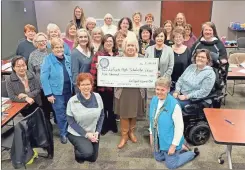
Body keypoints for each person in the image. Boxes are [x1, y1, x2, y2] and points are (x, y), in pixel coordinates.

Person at [149, 76, 199, 169]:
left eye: (162, 90)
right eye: (157, 89)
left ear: (168, 90)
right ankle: (182, 147)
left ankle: (191, 153)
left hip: (170, 140)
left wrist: (173, 145)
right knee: (158, 158)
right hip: (158, 138)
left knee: (171, 165)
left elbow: (179, 127)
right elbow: (152, 118)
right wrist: (151, 133)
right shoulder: (154, 100)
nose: (159, 92)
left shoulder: (174, 105)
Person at [115, 35, 146, 149]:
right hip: (123, 91)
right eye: (128, 45)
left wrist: (153, 74)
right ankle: (124, 136)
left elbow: (148, 71)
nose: (130, 47)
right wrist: (103, 69)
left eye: (133, 45)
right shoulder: (118, 58)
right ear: (124, 46)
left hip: (137, 90)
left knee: (134, 111)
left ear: (136, 47)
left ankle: (131, 133)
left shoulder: (142, 59)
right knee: (124, 112)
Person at [40, 38, 73, 144]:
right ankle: (63, 133)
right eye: (56, 47)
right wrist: (49, 94)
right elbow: (44, 78)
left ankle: (70, 130)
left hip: (69, 90)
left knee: (70, 112)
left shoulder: (68, 58)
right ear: (52, 49)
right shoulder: (48, 59)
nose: (59, 49)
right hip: (56, 92)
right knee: (60, 114)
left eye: (61, 47)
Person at [67, 73, 104, 163]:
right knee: (87, 153)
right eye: (83, 84)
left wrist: (97, 131)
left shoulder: (98, 97)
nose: (86, 87)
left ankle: (83, 146)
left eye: (88, 84)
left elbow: (102, 116)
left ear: (92, 85)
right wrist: (87, 134)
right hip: (76, 133)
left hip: (93, 132)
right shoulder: (72, 101)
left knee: (93, 159)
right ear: (79, 86)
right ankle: (78, 153)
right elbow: (71, 122)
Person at [90, 34, 118, 135]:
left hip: (115, 87)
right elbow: (93, 72)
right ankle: (104, 126)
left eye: (111, 41)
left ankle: (112, 124)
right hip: (103, 88)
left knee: (113, 107)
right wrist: (92, 88)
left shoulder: (117, 55)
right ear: (103, 43)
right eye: (107, 41)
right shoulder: (99, 55)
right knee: (104, 107)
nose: (109, 43)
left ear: (114, 43)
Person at [145, 28, 175, 113]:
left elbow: (171, 67)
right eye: (157, 36)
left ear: (165, 37)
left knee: (163, 105)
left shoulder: (169, 50)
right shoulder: (148, 49)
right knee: (151, 104)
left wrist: (162, 79)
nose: (159, 38)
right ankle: (150, 124)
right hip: (151, 82)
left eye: (162, 36)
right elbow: (145, 65)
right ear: (154, 38)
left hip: (164, 83)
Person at [28, 32, 54, 120]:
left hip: (54, 85)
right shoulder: (32, 55)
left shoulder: (52, 52)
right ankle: (47, 128)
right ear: (35, 43)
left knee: (56, 108)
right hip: (41, 87)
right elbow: (31, 72)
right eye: (39, 41)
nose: (42, 43)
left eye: (44, 40)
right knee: (45, 109)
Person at [71, 29, 94, 93]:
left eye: (85, 37)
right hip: (82, 88)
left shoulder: (91, 51)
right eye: (81, 37)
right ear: (77, 39)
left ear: (88, 38)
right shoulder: (74, 53)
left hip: (91, 85)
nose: (83, 39)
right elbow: (74, 73)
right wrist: (78, 89)